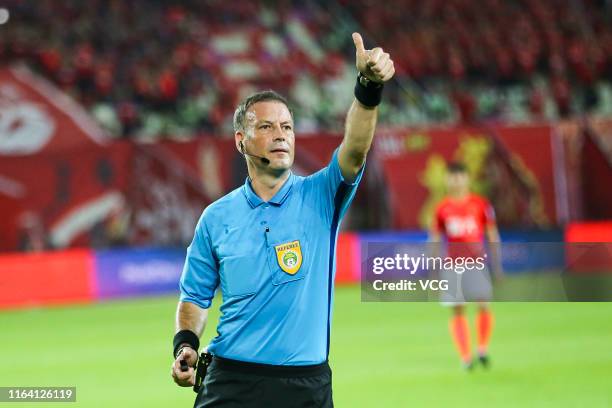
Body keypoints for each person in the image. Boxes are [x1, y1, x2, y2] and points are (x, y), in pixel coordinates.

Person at [170, 32, 394, 407]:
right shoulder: (216, 218)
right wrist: (187, 345)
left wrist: (368, 86)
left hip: (305, 387)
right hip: (231, 383)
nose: (280, 136)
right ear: (241, 140)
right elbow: (193, 297)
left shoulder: (321, 195)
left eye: (287, 127)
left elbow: (355, 147)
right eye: (267, 127)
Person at [429, 162, 503, 370]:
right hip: (452, 266)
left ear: (467, 179)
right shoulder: (442, 208)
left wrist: (497, 265)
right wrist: (433, 269)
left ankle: (482, 349)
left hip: (476, 263)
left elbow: (492, 235)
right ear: (447, 180)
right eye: (452, 176)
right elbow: (435, 239)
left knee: (483, 304)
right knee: (458, 311)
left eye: (460, 176)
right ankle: (465, 357)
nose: (456, 180)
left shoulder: (480, 204)